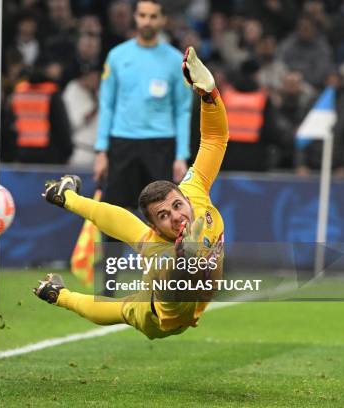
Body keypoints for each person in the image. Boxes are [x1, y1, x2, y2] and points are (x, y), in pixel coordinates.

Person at [34, 47, 228, 340]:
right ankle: (59, 296)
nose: (176, 216)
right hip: (162, 318)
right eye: (164, 216)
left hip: (190, 283)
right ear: (155, 228)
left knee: (121, 221)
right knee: (122, 309)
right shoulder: (159, 256)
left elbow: (214, 139)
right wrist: (184, 261)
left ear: (185, 196)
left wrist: (210, 95)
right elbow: (176, 279)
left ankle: (66, 197)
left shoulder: (194, 191)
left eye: (177, 205)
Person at [94, 0, 192, 295]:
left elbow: (183, 110)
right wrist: (101, 150)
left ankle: (166, 282)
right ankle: (109, 286)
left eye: (153, 16)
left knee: (165, 216)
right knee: (110, 214)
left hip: (160, 145)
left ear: (162, 20)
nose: (147, 21)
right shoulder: (117, 56)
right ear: (135, 18)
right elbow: (107, 105)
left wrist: (181, 154)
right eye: (142, 15)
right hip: (122, 143)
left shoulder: (175, 60)